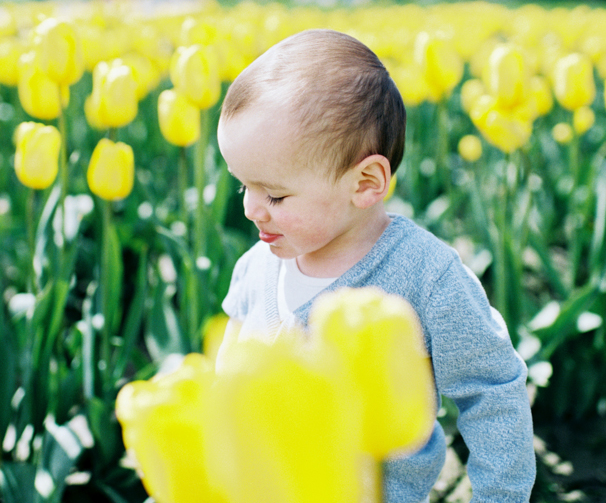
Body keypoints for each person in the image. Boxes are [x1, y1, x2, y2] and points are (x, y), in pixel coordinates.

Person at [215, 29, 535, 502]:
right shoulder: (258, 264)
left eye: (275, 195)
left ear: (365, 182)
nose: (251, 210)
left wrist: (499, 496)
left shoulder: (427, 277)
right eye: (244, 187)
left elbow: (492, 392)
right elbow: (230, 369)